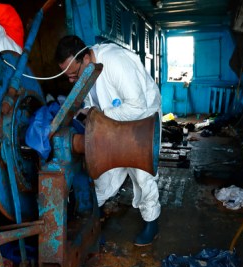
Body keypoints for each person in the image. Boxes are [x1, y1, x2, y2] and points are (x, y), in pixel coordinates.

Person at [54, 35, 162, 246]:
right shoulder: (87, 71)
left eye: (73, 74)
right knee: (102, 169)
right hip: (111, 120)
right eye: (67, 76)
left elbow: (137, 106)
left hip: (142, 119)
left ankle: (152, 222)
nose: (71, 81)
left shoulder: (115, 61)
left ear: (86, 58)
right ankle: (95, 214)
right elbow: (91, 101)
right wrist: (86, 113)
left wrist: (99, 117)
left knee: (141, 173)